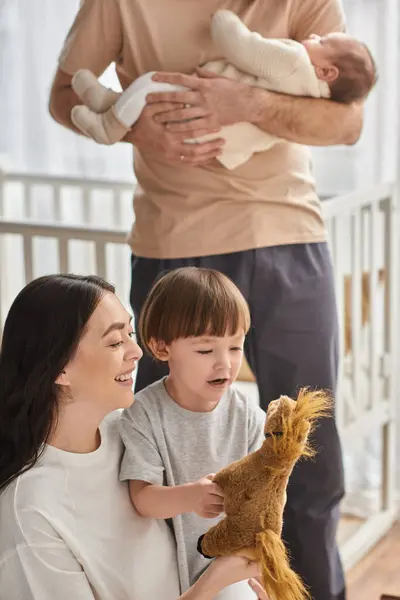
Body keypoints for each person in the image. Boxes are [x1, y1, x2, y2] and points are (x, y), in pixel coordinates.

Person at [48, 1, 363, 599]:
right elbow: (64, 92)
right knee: (158, 456)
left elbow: (346, 123)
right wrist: (133, 126)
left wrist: (246, 105)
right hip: (173, 242)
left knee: (307, 454)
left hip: (288, 235)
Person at [0, 274, 268, 600]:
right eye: (115, 342)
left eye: (130, 333)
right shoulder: (31, 513)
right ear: (60, 370)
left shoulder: (127, 431)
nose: (137, 351)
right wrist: (212, 585)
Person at [119, 267, 266, 597]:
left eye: (235, 347)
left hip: (235, 567)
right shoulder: (143, 414)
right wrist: (190, 497)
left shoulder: (248, 418)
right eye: (205, 350)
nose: (225, 364)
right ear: (161, 347)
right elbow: (141, 497)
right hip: (167, 572)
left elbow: (263, 509)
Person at [69, 12, 376, 169]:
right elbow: (61, 93)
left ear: (328, 72)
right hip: (173, 223)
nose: (314, 37)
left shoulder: (296, 59)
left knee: (152, 85)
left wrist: (252, 103)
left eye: (321, 41)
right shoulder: (315, 84)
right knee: (152, 97)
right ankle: (112, 105)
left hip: (282, 223)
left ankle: (110, 122)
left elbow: (244, 48)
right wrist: (137, 134)